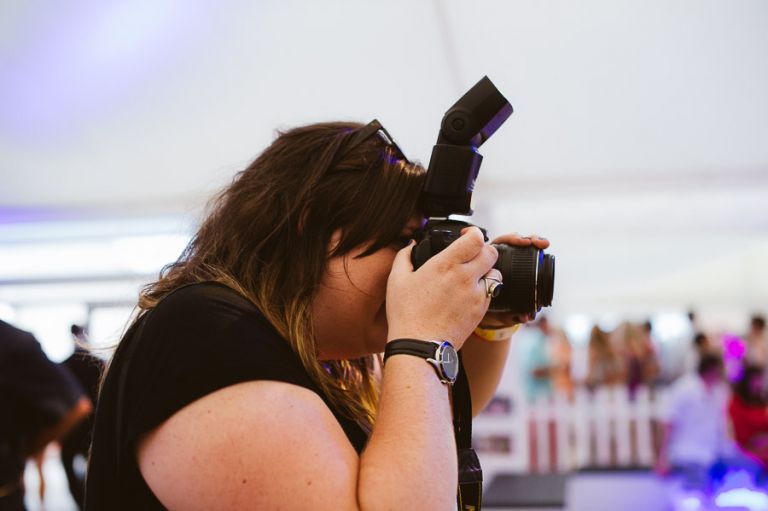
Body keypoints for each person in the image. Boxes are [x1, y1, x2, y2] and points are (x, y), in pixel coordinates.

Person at [85, 120, 549, 510]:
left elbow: (426, 441)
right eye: (403, 241)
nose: (414, 269)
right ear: (312, 226)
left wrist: (489, 318)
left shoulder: (301, 354)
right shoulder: (206, 331)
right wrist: (423, 339)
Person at [0, 319, 92, 511]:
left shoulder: (11, 342)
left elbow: (79, 406)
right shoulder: (94, 363)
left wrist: (28, 449)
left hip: (7, 485)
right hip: (87, 430)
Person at [655, 354, 730, 489]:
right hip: (687, 454)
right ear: (712, 369)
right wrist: (663, 457)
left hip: (713, 455)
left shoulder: (720, 390)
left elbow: (722, 423)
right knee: (695, 494)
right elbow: (668, 422)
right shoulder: (684, 388)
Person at [60, 325, 104, 509]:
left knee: (68, 464)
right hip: (93, 427)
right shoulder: (98, 363)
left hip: (73, 426)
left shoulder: (64, 365)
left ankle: (80, 503)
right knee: (95, 470)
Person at [728, 364, 768, 468]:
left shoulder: (762, 401)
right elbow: (738, 431)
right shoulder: (736, 402)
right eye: (755, 380)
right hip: (746, 453)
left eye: (760, 380)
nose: (758, 384)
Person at [585, 325, 623, 391]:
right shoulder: (608, 347)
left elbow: (592, 365)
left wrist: (589, 377)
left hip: (601, 379)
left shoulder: (594, 348)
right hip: (606, 379)